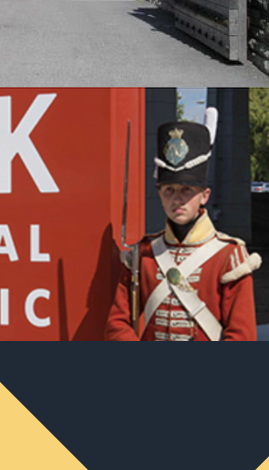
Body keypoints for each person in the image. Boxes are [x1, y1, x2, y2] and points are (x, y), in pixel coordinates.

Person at [105, 111, 260, 341]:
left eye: (187, 189)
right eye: (169, 190)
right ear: (159, 194)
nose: (177, 199)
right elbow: (117, 325)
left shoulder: (230, 257)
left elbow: (241, 336)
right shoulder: (143, 253)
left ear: (204, 195)